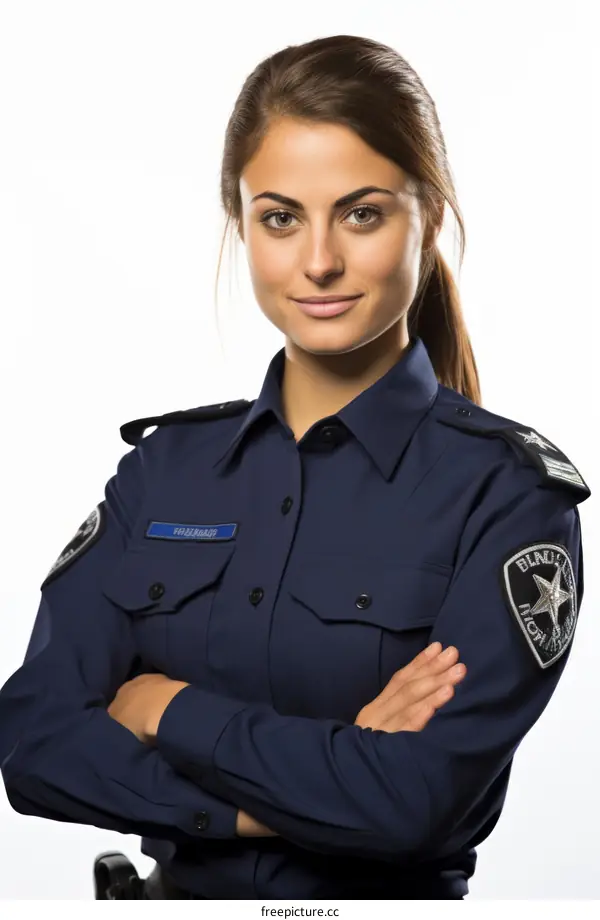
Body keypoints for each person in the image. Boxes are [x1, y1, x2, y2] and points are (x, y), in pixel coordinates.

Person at [0, 33, 590, 901]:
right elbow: (33, 743)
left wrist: (164, 708)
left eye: (362, 214)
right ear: (241, 224)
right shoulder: (162, 473)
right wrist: (293, 795)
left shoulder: (506, 496)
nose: (318, 262)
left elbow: (413, 801)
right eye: (280, 218)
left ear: (430, 217)